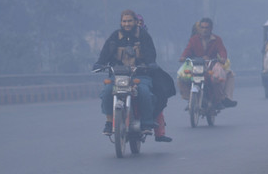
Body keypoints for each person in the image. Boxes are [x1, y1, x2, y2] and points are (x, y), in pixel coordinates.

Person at [93, 9, 157, 136]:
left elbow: (150, 53)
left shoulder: (143, 36)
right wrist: (100, 63)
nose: (127, 24)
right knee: (107, 92)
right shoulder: (115, 36)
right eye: (124, 21)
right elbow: (105, 53)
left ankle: (146, 123)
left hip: (140, 74)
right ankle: (109, 122)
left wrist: (151, 64)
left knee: (144, 92)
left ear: (135, 22)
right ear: (121, 22)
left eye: (129, 21)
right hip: (118, 76)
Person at [178, 17, 237, 108]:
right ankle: (189, 99)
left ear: (211, 29)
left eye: (207, 28)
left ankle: (222, 99)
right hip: (196, 65)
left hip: (211, 65)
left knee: (219, 77)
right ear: (199, 28)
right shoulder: (194, 39)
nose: (204, 30)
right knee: (182, 77)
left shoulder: (217, 39)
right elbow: (188, 50)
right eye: (202, 27)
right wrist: (183, 56)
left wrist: (222, 58)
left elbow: (222, 50)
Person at [136, 14, 175, 143]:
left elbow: (151, 55)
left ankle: (159, 132)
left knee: (159, 94)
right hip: (124, 73)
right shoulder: (119, 37)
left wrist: (149, 64)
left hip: (145, 72)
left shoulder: (146, 38)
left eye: (139, 22)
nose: (136, 25)